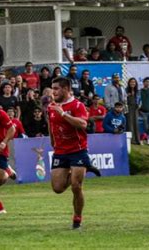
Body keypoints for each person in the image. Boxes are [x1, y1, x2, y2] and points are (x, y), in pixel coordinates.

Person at [47, 76, 100, 230]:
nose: (53, 92)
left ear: (65, 89)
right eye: (52, 88)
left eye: (56, 88)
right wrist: (52, 141)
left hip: (78, 150)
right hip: (60, 151)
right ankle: (86, 167)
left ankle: (77, 219)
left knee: (76, 186)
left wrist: (63, 114)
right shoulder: (51, 106)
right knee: (57, 188)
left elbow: (83, 124)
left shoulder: (77, 105)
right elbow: (51, 125)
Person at [125, 78, 141, 144]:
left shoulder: (138, 91)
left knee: (136, 124)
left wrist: (140, 105)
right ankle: (131, 140)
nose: (132, 83)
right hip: (128, 108)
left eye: (134, 82)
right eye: (131, 82)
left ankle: (137, 140)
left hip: (135, 108)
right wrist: (127, 95)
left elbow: (140, 100)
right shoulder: (125, 90)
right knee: (130, 123)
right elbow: (123, 98)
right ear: (129, 83)